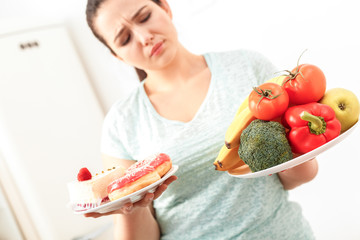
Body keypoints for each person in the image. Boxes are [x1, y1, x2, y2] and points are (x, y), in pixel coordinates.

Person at [84, 0, 319, 239]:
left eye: (144, 17)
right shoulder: (121, 122)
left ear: (165, 7)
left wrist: (304, 131)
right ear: (118, 56)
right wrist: (131, 207)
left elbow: (302, 175)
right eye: (125, 39)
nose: (145, 36)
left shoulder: (247, 67)